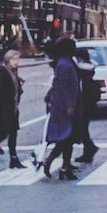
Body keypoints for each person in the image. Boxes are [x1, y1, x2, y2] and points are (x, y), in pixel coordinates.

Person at [40, 38, 81, 179]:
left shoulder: (64, 62)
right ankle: (61, 165)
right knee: (66, 137)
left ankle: (59, 164)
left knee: (66, 138)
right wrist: (69, 105)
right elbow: (63, 87)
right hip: (64, 107)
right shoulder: (65, 64)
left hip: (64, 104)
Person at [0, 49, 25, 169]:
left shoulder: (13, 71)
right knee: (6, 133)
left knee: (10, 133)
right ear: (8, 59)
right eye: (14, 59)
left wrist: (19, 85)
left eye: (17, 59)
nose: (16, 61)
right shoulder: (3, 71)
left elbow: (15, 90)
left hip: (12, 108)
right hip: (5, 109)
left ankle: (12, 158)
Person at [73, 46, 101, 164]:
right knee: (83, 128)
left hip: (83, 102)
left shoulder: (81, 70)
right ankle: (88, 150)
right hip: (89, 103)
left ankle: (89, 149)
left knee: (81, 128)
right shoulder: (89, 69)